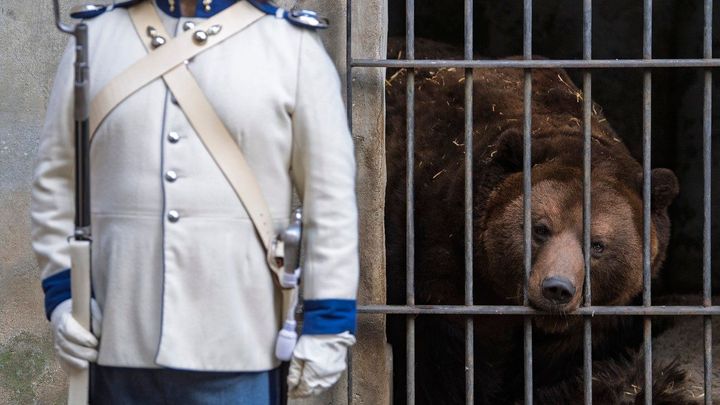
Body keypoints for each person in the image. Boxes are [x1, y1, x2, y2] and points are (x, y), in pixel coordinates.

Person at [31, 0, 359, 402]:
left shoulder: (292, 46)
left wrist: (329, 323)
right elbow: (56, 181)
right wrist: (65, 297)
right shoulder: (94, 37)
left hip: (240, 339)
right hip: (117, 333)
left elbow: (330, 203)